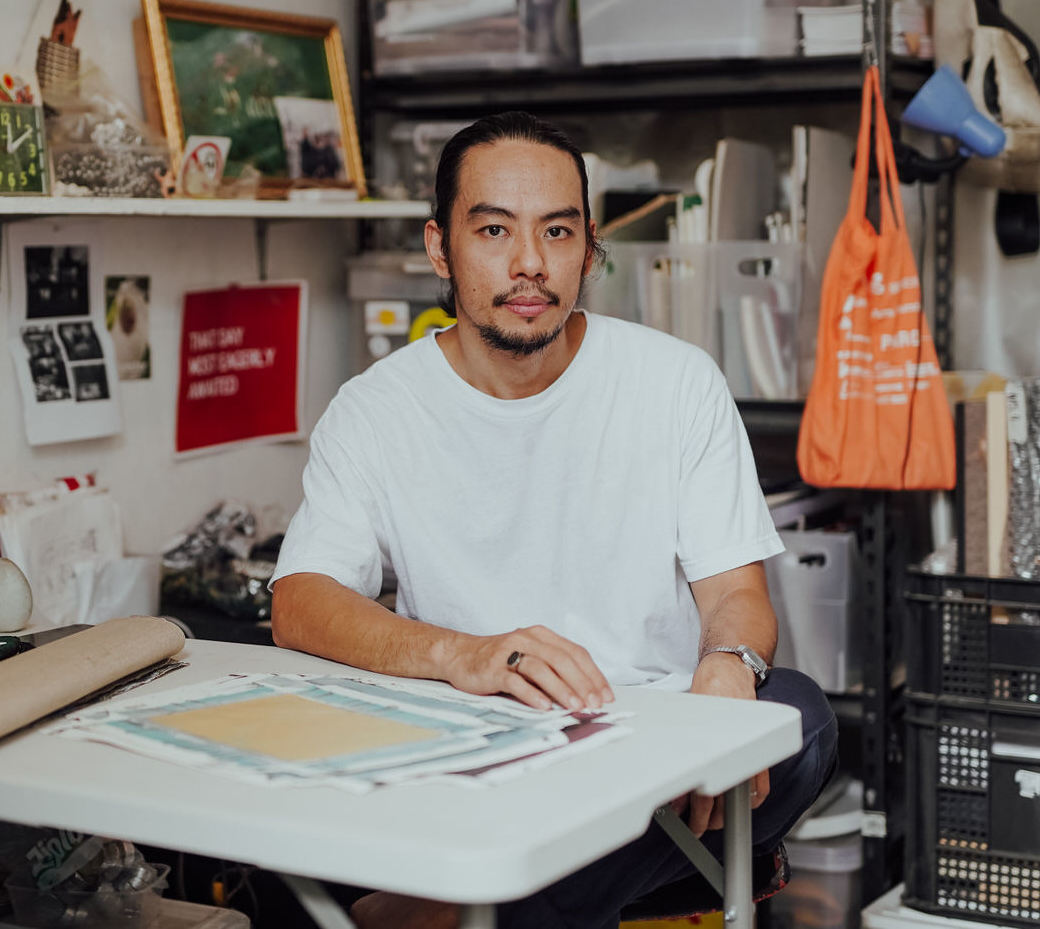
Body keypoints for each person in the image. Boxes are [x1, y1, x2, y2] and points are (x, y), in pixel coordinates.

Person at [268, 111, 837, 929]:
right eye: (494, 229)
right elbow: (299, 599)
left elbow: (735, 595)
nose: (530, 262)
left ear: (590, 249)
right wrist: (463, 654)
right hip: (467, 744)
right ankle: (500, 899)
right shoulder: (375, 411)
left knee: (801, 722)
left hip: (650, 745)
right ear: (440, 248)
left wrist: (730, 666)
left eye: (558, 231)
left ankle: (449, 910)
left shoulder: (676, 383)